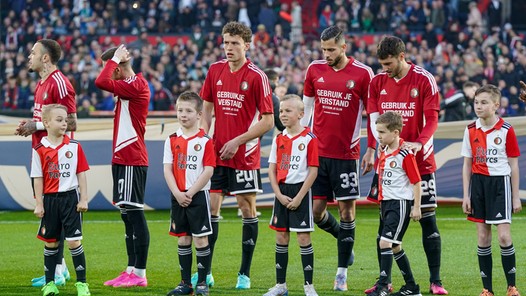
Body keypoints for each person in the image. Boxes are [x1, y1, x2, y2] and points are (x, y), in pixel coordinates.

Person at [366, 35, 448, 295]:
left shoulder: (423, 79)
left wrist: (419, 143)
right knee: (384, 222)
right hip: (387, 162)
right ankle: (385, 282)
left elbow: (433, 119)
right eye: (381, 64)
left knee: (427, 219)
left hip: (419, 161)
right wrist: (373, 147)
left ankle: (435, 281)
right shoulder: (378, 82)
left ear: (402, 56)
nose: (385, 69)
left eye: (389, 63)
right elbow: (374, 120)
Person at [200, 21, 274, 289]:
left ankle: (244, 273)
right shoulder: (215, 70)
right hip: (217, 153)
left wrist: (238, 141)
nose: (229, 48)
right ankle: (205, 272)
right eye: (225, 42)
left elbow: (268, 121)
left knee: (247, 209)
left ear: (247, 45)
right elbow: (206, 107)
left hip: (245, 156)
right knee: (211, 209)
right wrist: (203, 135)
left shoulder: (257, 76)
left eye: (234, 43)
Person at [300, 25, 374, 291]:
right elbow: (306, 110)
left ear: (344, 47)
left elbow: (373, 116)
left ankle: (342, 272)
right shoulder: (314, 70)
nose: (327, 54)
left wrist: (371, 148)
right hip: (317, 154)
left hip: (346, 155)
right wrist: (301, 142)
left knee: (346, 211)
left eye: (331, 49)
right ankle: (344, 239)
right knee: (317, 213)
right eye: (324, 49)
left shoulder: (364, 74)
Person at [15, 38, 77, 288]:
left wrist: (37, 125)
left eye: (33, 52)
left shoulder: (60, 83)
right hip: (41, 152)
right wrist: (32, 127)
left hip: (58, 157)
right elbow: (46, 121)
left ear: (45, 58)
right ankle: (59, 270)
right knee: (50, 214)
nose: (28, 56)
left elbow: (72, 122)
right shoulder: (41, 84)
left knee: (56, 213)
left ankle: (60, 271)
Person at [95, 44, 151, 288]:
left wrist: (116, 58)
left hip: (132, 158)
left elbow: (100, 81)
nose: (108, 72)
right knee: (127, 216)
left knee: (135, 215)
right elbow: (105, 80)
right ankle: (130, 269)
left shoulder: (136, 85)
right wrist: (116, 60)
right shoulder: (127, 87)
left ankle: (139, 273)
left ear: (117, 70)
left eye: (111, 68)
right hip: (122, 158)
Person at [461, 84, 521, 296]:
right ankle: (487, 290)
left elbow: (513, 165)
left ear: (496, 105)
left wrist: (516, 197)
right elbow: (467, 165)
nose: (478, 106)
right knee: (483, 238)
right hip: (478, 185)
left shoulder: (506, 130)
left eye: (484, 102)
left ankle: (511, 286)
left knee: (504, 237)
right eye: (476, 102)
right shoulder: (469, 130)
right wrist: (466, 195)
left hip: (500, 185)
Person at [31, 104, 90, 296]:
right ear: (46, 123)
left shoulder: (74, 146)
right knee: (51, 243)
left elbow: (81, 174)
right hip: (50, 201)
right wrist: (39, 203)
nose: (64, 123)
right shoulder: (39, 149)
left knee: (74, 242)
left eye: (65, 120)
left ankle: (82, 284)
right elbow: (38, 178)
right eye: (59, 120)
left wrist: (84, 199)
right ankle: (49, 284)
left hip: (70, 199)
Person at [264, 94, 319, 296]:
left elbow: (313, 171)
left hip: (300, 192)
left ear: (301, 114)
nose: (283, 114)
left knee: (303, 238)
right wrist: (277, 194)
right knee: (281, 236)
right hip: (282, 192)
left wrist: (299, 197)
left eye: (288, 111)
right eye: (281, 111)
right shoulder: (279, 139)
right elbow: (271, 169)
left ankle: (308, 286)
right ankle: (281, 286)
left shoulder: (309, 138)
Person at [164, 91, 216, 296]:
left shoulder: (205, 140)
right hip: (178, 197)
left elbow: (209, 169)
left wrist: (191, 192)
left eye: (188, 111)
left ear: (199, 114)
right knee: (183, 239)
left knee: (201, 239)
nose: (183, 114)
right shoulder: (171, 139)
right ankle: (185, 283)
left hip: (198, 196)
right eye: (179, 110)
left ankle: (202, 282)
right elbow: (167, 168)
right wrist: (177, 192)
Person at [367, 111, 422, 296]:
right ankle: (412, 287)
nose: (379, 136)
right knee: (395, 246)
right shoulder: (384, 150)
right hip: (386, 204)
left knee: (385, 242)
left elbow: (416, 181)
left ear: (396, 132)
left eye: (382, 132)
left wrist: (416, 207)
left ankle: (383, 286)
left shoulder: (405, 154)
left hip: (400, 204)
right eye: (377, 132)